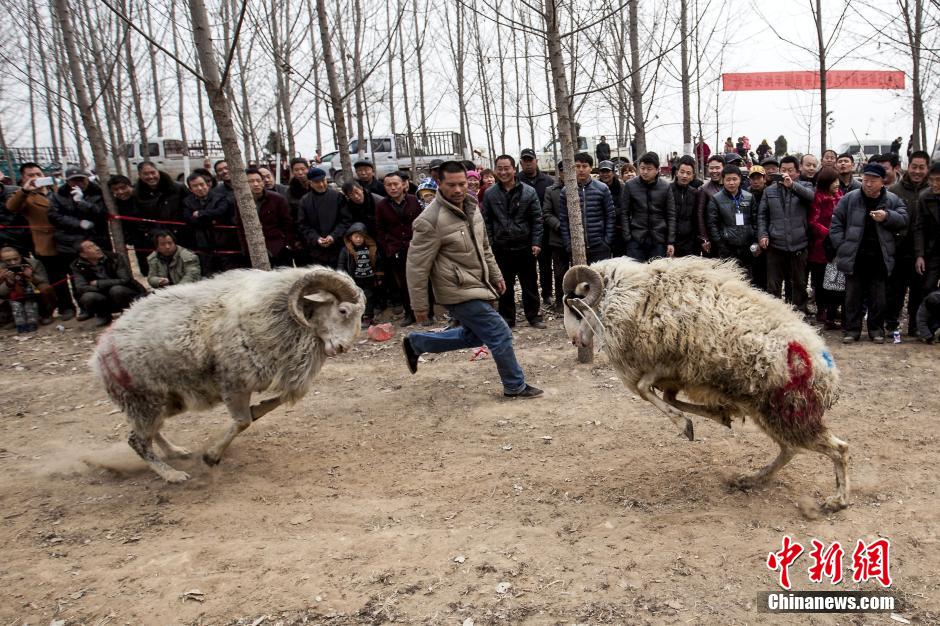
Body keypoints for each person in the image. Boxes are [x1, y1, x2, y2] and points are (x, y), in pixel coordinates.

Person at [402, 160, 542, 399]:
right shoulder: (429, 220)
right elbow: (416, 266)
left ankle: (417, 344)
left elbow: (484, 246)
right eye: (451, 185)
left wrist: (496, 275)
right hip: (456, 289)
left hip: (478, 284)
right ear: (438, 183)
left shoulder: (472, 207)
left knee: (475, 335)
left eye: (462, 184)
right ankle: (514, 385)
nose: (457, 190)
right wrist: (420, 305)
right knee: (500, 333)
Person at [829, 163, 908, 343]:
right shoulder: (849, 199)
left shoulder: (892, 200)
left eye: (873, 181)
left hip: (879, 256)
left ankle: (876, 330)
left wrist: (887, 216)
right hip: (855, 255)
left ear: (882, 182)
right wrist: (842, 246)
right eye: (865, 180)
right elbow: (836, 224)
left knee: (878, 298)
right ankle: (852, 330)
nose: (868, 184)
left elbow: (904, 219)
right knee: (852, 296)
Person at [482, 155, 545, 329]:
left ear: (514, 169)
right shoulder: (490, 194)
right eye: (499, 168)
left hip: (525, 246)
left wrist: (536, 242)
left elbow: (537, 219)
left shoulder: (528, 191)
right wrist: (491, 244)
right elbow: (486, 221)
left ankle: (534, 316)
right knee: (504, 285)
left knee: (530, 283)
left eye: (506, 168)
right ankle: (507, 318)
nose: (503, 172)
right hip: (501, 247)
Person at [5, 162, 72, 320]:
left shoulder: (57, 191)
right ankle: (64, 307)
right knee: (55, 278)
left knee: (74, 274)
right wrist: (25, 190)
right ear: (23, 178)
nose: (35, 177)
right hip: (46, 242)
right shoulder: (25, 196)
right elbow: (11, 206)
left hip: (68, 240)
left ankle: (82, 307)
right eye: (30, 175)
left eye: (38, 174)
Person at [757, 155, 814, 312]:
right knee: (773, 285)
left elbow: (812, 198)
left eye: (790, 170)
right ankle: (775, 314)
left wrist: (792, 185)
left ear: (797, 172)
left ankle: (799, 312)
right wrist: (763, 235)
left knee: (799, 283)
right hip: (775, 244)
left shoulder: (805, 186)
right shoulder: (769, 191)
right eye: (783, 170)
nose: (786, 173)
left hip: (799, 244)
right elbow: (762, 216)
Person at [886, 149, 930, 340]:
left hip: (924, 251)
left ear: (927, 169)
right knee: (895, 290)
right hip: (899, 248)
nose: (917, 171)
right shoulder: (895, 191)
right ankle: (892, 326)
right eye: (914, 167)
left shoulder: (932, 191)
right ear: (907, 166)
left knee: (919, 291)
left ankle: (915, 326)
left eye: (922, 167)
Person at [376, 171, 425, 326]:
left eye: (396, 184)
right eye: (388, 185)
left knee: (422, 280)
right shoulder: (382, 206)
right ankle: (409, 314)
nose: (393, 188)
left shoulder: (414, 201)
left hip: (417, 247)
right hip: (396, 250)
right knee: (403, 284)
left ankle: (427, 313)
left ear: (404, 185)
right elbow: (380, 230)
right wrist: (389, 248)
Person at [70, 239, 145, 326]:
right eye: (90, 247)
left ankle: (129, 312)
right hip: (103, 295)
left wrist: (99, 283)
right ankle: (103, 315)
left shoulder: (115, 257)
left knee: (117, 290)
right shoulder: (77, 265)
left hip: (124, 291)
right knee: (88, 296)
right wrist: (104, 288)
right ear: (83, 254)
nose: (97, 248)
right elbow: (81, 286)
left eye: (95, 245)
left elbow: (125, 279)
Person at [559, 153, 616, 263]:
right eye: (577, 166)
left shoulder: (602, 188)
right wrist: (568, 244)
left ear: (590, 168)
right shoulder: (566, 191)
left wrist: (607, 241)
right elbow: (563, 220)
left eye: (584, 166)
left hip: (599, 246)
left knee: (601, 279)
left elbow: (610, 215)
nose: (581, 170)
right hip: (577, 247)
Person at [237, 168, 298, 268]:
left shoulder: (277, 199)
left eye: (258, 180)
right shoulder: (240, 201)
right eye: (251, 181)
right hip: (255, 249)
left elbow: (288, 224)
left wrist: (287, 245)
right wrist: (245, 249)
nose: (256, 184)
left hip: (279, 248)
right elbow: (240, 226)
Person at [518, 148, 555, 306]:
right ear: (521, 163)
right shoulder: (516, 181)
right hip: (524, 232)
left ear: (536, 161)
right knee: (527, 269)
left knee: (546, 266)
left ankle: (547, 294)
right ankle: (530, 297)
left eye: (530, 160)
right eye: (525, 161)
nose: (528, 164)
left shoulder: (548, 181)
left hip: (545, 231)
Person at [807, 167, 843, 328]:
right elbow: (813, 221)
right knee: (820, 280)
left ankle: (833, 310)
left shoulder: (840, 196)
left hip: (838, 245)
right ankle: (822, 310)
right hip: (821, 246)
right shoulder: (819, 198)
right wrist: (829, 233)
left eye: (837, 181)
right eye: (833, 181)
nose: (836, 184)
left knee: (836, 279)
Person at [707, 164, 757, 278]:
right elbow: (712, 224)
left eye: (734, 179)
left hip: (746, 246)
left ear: (740, 179)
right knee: (729, 281)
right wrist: (721, 245)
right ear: (723, 180)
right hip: (727, 247)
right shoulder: (716, 199)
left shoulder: (749, 197)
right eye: (728, 179)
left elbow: (755, 221)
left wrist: (754, 240)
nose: (731, 183)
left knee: (747, 279)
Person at [48, 168, 110, 256]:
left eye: (81, 179)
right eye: (74, 180)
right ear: (68, 182)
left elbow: (102, 213)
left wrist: (82, 203)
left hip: (96, 239)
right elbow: (54, 216)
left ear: (87, 179)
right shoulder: (58, 196)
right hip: (69, 241)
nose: (78, 183)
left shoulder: (98, 193)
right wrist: (78, 223)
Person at [297, 167, 350, 267]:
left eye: (323, 180)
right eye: (317, 182)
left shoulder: (338, 196)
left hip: (337, 247)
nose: (321, 185)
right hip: (316, 250)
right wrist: (316, 238)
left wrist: (333, 236)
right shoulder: (305, 201)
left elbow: (346, 220)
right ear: (310, 183)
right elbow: (303, 225)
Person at [621, 151, 670, 261]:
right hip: (636, 239)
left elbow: (670, 214)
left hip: (658, 239)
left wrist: (670, 240)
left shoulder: (665, 186)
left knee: (656, 274)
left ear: (657, 170)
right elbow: (624, 212)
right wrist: (628, 237)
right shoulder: (630, 185)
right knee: (636, 274)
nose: (645, 172)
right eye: (642, 168)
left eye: (649, 169)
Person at [182, 171, 233, 275]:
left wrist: (201, 213)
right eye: (195, 186)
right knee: (207, 273)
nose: (200, 188)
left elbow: (221, 212)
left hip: (222, 241)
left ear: (207, 184)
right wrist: (210, 219)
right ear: (190, 189)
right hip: (200, 243)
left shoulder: (220, 197)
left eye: (202, 184)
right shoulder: (187, 201)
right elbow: (189, 219)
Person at [337, 222, 381, 328]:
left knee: (369, 297)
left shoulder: (371, 248)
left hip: (369, 278)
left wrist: (379, 276)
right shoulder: (346, 250)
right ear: (350, 237)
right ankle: (358, 318)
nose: (358, 239)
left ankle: (368, 317)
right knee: (355, 299)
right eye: (356, 237)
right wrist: (341, 277)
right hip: (354, 279)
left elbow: (378, 262)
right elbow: (341, 264)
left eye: (361, 237)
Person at [0, 246, 56, 330]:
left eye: (16, 259)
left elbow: (44, 281)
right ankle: (10, 319)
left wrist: (31, 277)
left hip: (32, 291)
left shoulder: (34, 263)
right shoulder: (1, 269)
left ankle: (46, 314)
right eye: (8, 260)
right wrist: (8, 282)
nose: (13, 262)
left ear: (20, 256)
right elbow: (1, 292)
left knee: (46, 288)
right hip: (12, 296)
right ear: (2, 260)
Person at [540, 160, 569, 311]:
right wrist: (560, 226)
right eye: (563, 170)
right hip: (558, 239)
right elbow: (546, 213)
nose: (566, 172)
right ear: (559, 172)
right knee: (559, 273)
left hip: (580, 239)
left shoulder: (581, 189)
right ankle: (560, 302)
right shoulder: (551, 190)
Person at [666, 155, 702, 257]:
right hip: (671, 241)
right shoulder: (667, 190)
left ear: (692, 176)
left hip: (689, 243)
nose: (684, 176)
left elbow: (696, 220)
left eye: (688, 173)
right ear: (677, 173)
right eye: (682, 172)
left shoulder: (695, 193)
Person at [914, 162, 940, 301]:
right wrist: (920, 255)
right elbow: (919, 227)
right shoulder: (925, 196)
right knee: (928, 288)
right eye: (931, 180)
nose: (934, 184)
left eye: (938, 180)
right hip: (933, 250)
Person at [696, 154, 726, 255]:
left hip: (729, 236)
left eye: (718, 168)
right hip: (711, 238)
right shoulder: (704, 189)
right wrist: (704, 238)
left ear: (724, 168)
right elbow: (700, 215)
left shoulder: (730, 186)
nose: (714, 171)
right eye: (711, 168)